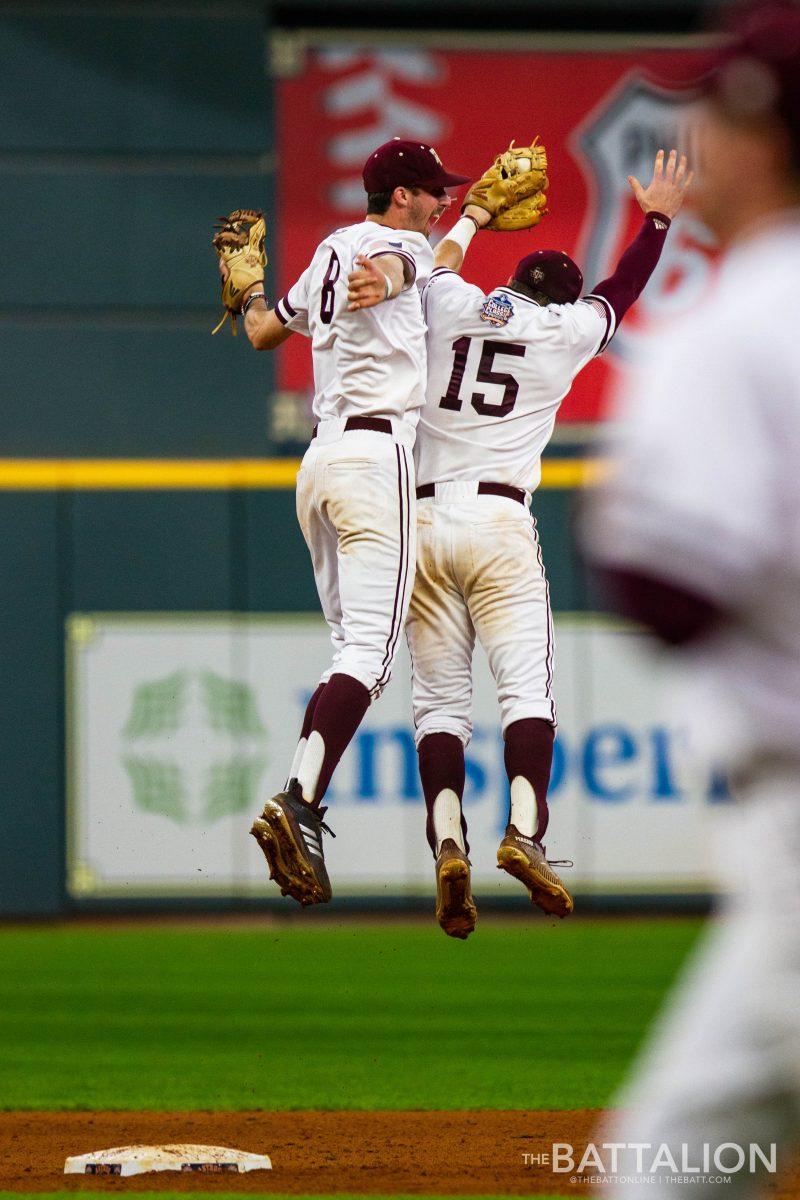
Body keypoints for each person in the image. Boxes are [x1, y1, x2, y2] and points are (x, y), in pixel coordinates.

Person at [583, 2, 800, 1194]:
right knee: (670, 1166)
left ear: (759, 135)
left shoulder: (732, 325)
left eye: (711, 114)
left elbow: (664, 587)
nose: (694, 140)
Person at [407, 148, 692, 938]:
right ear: (560, 299)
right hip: (498, 522)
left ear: (511, 285)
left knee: (439, 706)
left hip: (422, 521)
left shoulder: (455, 302)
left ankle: (448, 841)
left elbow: (434, 268)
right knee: (525, 693)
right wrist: (657, 219)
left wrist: (473, 214)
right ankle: (524, 832)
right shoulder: (568, 331)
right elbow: (621, 292)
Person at [217, 139, 473, 906]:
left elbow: (265, 332)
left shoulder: (332, 245)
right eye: (433, 193)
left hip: (319, 466)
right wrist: (389, 276)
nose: (441, 204)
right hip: (374, 460)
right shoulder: (402, 247)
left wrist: (250, 288)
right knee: (372, 648)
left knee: (350, 650)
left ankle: (298, 795)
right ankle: (298, 803)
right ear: (401, 197)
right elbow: (402, 269)